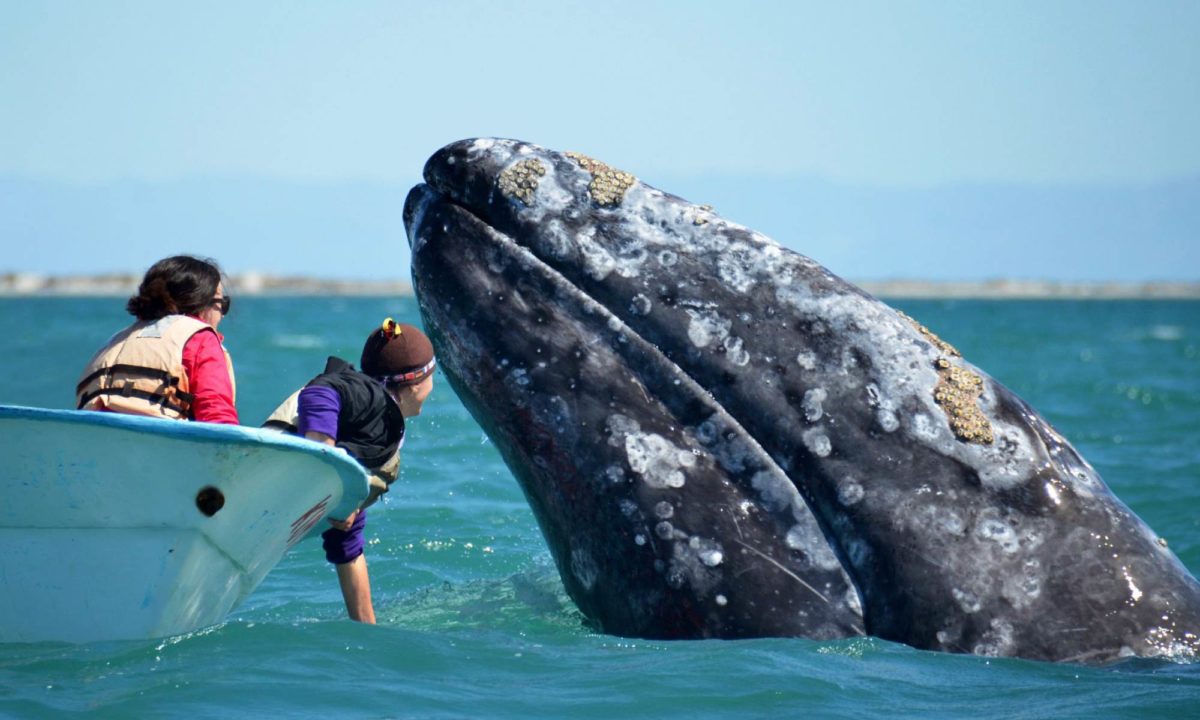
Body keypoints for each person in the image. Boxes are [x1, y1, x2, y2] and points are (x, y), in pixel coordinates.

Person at [263, 317, 436, 623]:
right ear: (417, 382)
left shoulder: (379, 428)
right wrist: (324, 467)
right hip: (260, 483)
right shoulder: (369, 395)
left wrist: (368, 632)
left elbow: (348, 545)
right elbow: (322, 390)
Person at [76, 255, 238, 424]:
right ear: (200, 302)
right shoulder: (200, 339)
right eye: (221, 303)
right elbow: (217, 418)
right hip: (163, 447)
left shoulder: (109, 346)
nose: (222, 315)